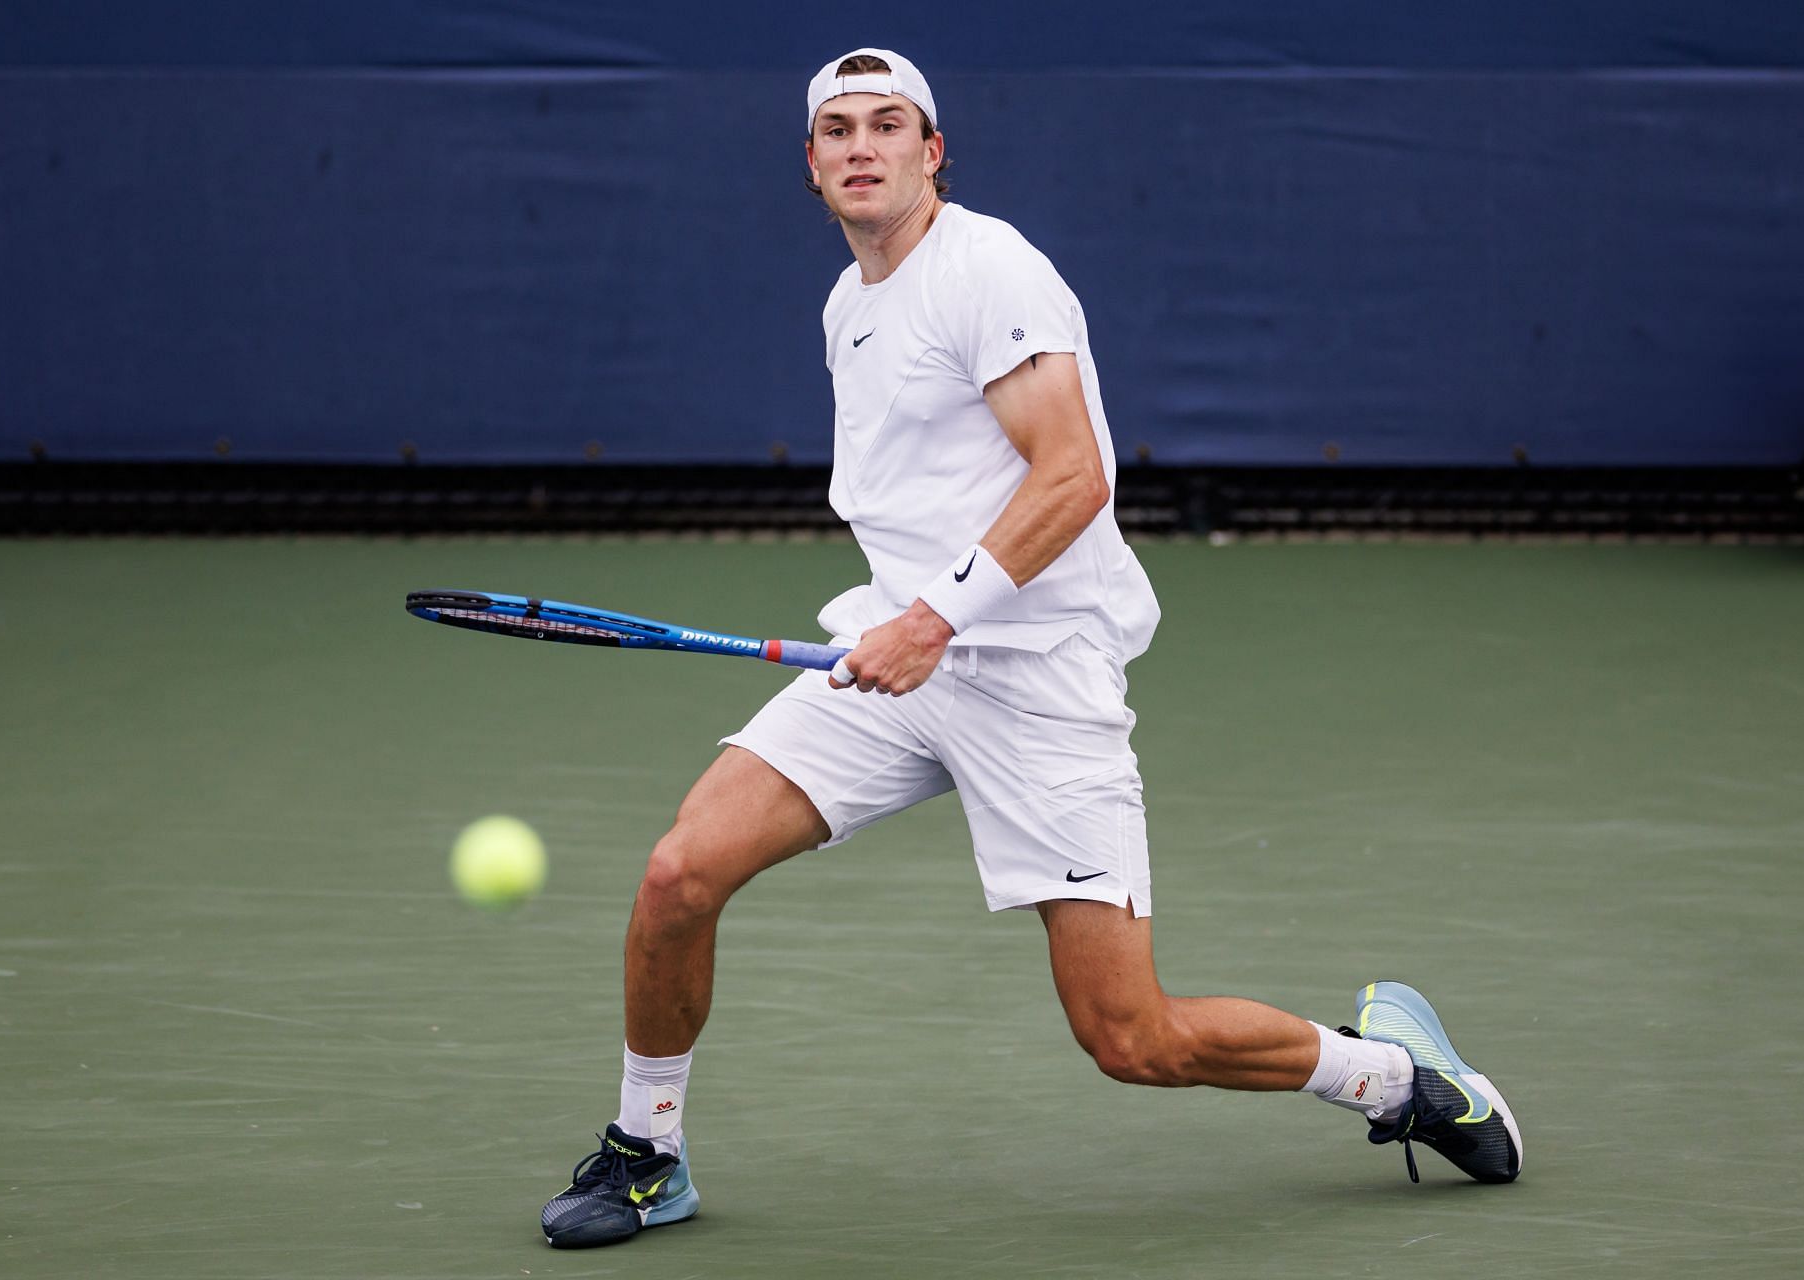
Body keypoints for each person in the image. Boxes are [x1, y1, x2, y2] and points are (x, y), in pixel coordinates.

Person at [540, 47, 1521, 1249]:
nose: (861, 146)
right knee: (679, 875)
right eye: (837, 129)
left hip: (1032, 677)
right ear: (810, 163)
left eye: (888, 125)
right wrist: (910, 623)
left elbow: (1075, 476)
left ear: (932, 150)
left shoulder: (989, 269)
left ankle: (1395, 1078)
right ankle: (649, 1151)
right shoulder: (850, 304)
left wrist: (939, 616)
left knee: (1131, 1036)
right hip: (895, 659)